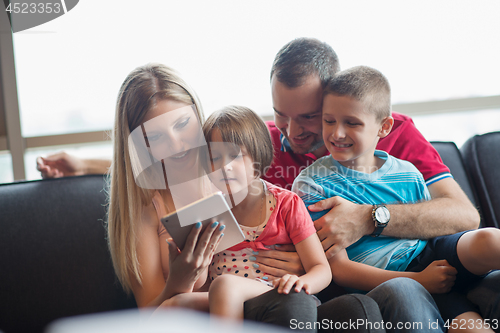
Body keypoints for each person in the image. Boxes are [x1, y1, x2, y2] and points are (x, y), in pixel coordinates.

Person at [293, 65, 500, 332]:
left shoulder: (407, 172)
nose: (337, 133)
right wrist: (420, 279)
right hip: (395, 277)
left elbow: (431, 232)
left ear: (384, 127)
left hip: (432, 254)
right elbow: (339, 269)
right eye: (329, 121)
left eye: (352, 123)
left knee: (489, 239)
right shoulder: (312, 185)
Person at [201, 105, 331, 320]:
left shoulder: (286, 203)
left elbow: (321, 269)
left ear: (257, 156)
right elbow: (201, 283)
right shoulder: (207, 211)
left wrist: (301, 282)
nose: (224, 167)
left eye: (235, 155)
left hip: (273, 294)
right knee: (174, 304)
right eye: (214, 158)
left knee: (224, 286)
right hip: (222, 301)